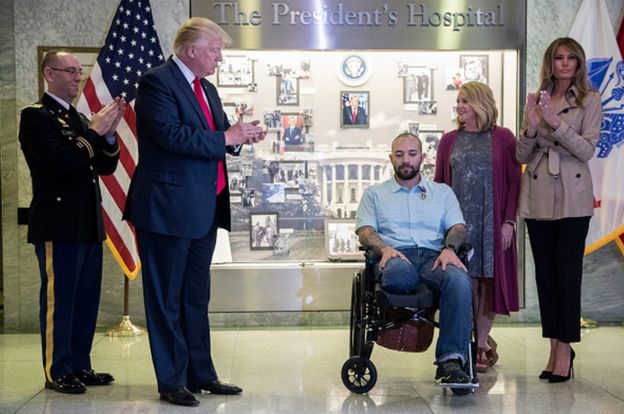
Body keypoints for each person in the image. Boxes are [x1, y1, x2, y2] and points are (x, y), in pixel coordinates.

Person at [123, 17, 265, 407]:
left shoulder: (208, 89)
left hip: (203, 209)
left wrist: (239, 136)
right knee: (166, 299)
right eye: (215, 49)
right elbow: (169, 135)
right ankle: (171, 381)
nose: (220, 56)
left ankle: (200, 374)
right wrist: (226, 137)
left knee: (194, 297)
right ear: (191, 50)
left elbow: (217, 136)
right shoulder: (156, 82)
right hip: (167, 209)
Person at [19, 49, 126, 394]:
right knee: (60, 301)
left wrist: (107, 136)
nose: (77, 78)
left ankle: (80, 364)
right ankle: (57, 370)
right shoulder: (36, 117)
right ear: (49, 74)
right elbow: (60, 162)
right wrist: (94, 133)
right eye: (70, 71)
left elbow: (105, 168)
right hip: (59, 223)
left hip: (87, 223)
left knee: (84, 300)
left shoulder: (78, 120)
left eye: (79, 72)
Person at [356, 132, 473, 385]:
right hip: (396, 255)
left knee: (459, 279)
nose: (406, 160)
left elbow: (458, 228)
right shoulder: (375, 194)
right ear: (391, 159)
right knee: (399, 274)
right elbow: (365, 232)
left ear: (422, 157)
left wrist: (449, 249)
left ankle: (450, 361)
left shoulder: (442, 193)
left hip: (434, 257)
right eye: (399, 155)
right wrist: (384, 248)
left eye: (412, 154)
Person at [516, 37, 602, 384]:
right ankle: (553, 346)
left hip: (572, 196)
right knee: (545, 278)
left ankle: (565, 349)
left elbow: (587, 149)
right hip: (537, 194)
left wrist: (556, 123)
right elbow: (522, 155)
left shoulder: (589, 100)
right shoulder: (536, 99)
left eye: (570, 58)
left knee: (568, 276)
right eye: (558, 58)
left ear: (579, 64)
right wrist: (533, 127)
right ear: (549, 63)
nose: (564, 63)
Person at [435, 81, 521, 373]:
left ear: (482, 104)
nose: (460, 106)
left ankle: (481, 344)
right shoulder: (448, 140)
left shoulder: (504, 138)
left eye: (466, 101)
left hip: (493, 223)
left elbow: (514, 180)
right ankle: (465, 342)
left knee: (488, 283)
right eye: (459, 101)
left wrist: (509, 220)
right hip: (458, 224)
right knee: (464, 283)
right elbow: (440, 184)